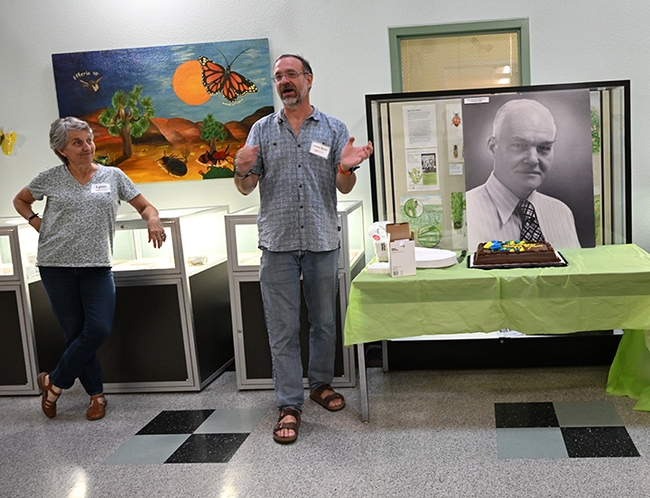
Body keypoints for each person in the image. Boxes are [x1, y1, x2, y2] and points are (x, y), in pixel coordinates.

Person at [233, 54, 373, 444]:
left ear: (309, 79)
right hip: (276, 243)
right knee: (282, 329)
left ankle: (321, 384)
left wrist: (345, 168)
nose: (284, 81)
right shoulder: (260, 129)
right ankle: (289, 404)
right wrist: (240, 169)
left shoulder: (332, 128)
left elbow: (343, 187)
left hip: (321, 239)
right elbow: (245, 187)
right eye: (278, 77)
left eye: (291, 74)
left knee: (325, 321)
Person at [13, 117, 166, 421]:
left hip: (97, 267)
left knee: (97, 329)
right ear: (61, 150)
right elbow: (20, 200)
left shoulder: (113, 176)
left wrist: (152, 218)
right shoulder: (50, 178)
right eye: (77, 143)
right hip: (56, 265)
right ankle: (97, 395)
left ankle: (53, 382)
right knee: (74, 334)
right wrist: (35, 221)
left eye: (89, 140)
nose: (87, 147)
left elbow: (145, 206)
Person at [466, 99, 581, 250]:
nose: (533, 159)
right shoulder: (466, 211)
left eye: (544, 148)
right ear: (493, 147)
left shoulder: (561, 213)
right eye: (519, 146)